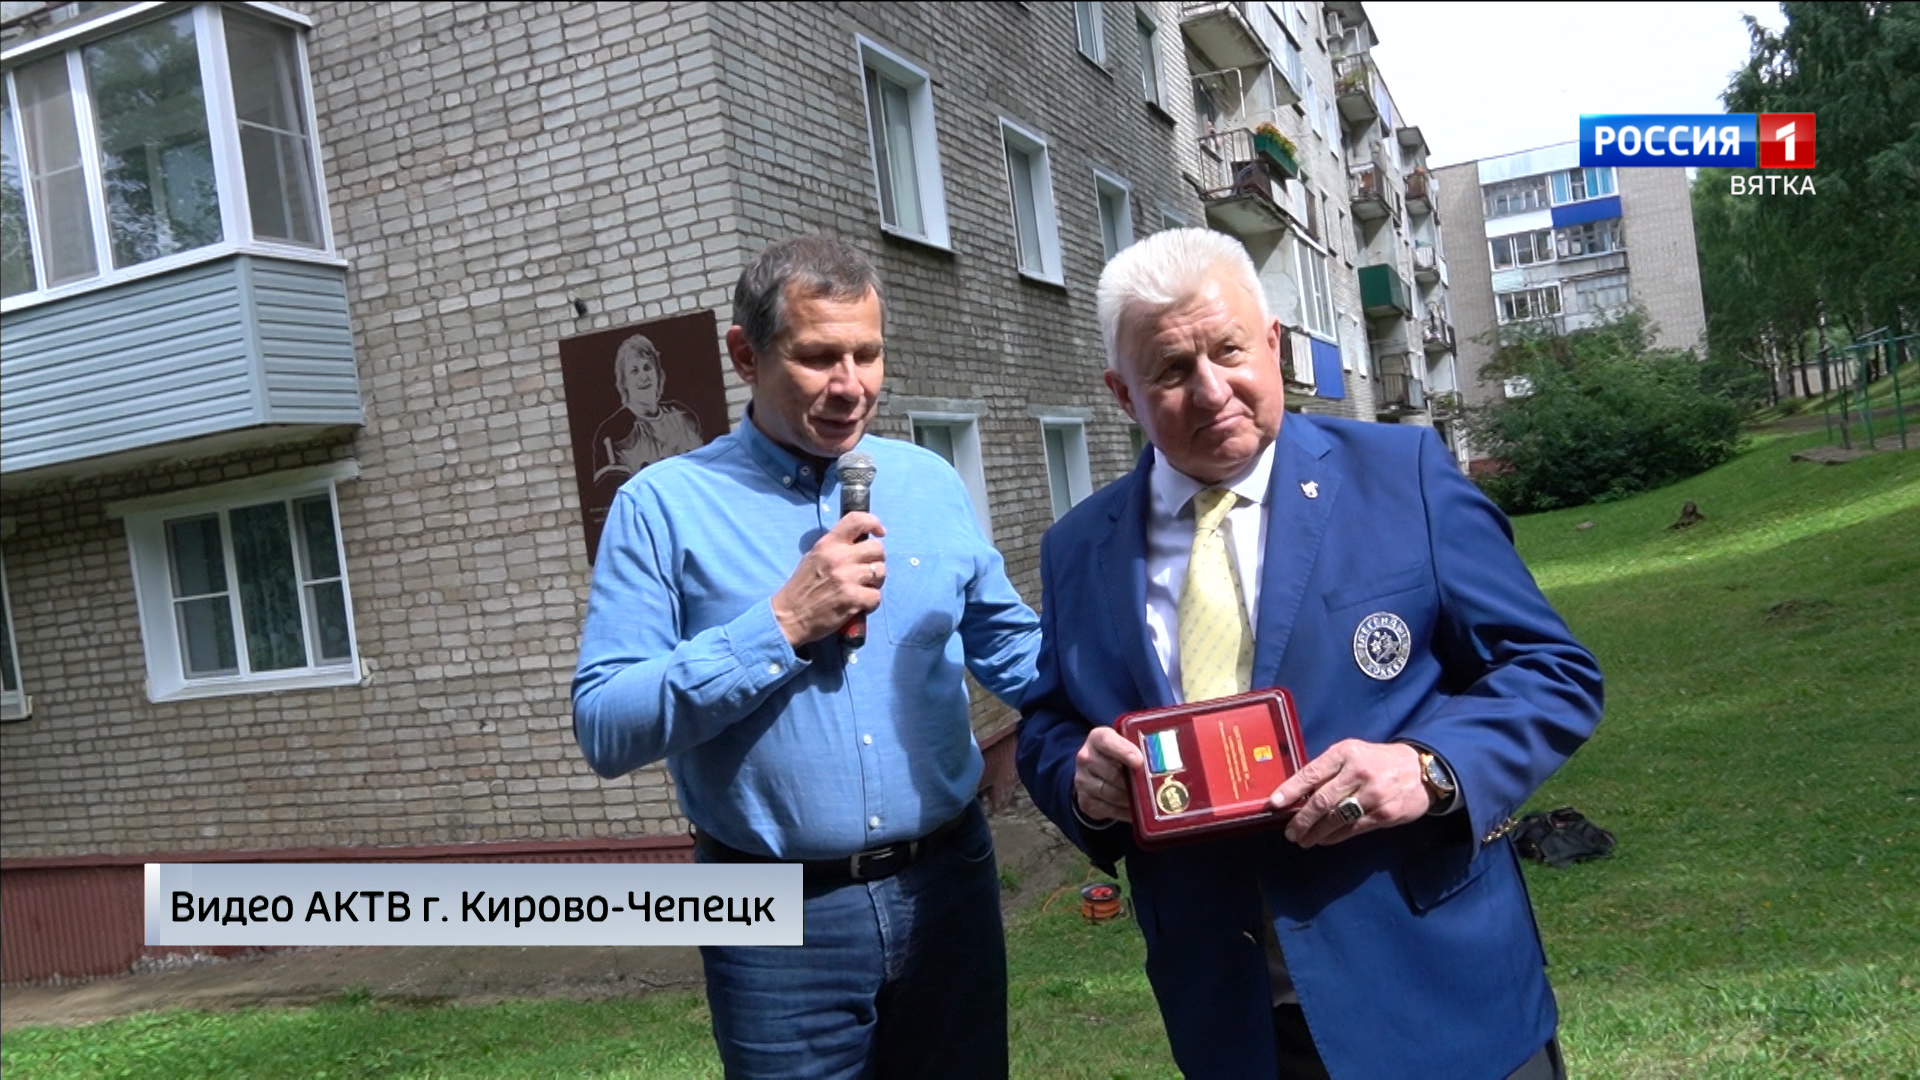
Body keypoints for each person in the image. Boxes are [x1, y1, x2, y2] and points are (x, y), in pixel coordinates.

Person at [1016, 229, 1603, 1080]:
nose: (1212, 389)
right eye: (1172, 371)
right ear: (1122, 393)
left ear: (1273, 344)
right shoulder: (1078, 547)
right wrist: (1078, 777)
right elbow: (1048, 720)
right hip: (1233, 1017)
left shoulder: (1404, 475)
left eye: (1228, 350)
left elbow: (1552, 671)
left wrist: (1429, 768)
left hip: (1437, 990)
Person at [573, 235, 1041, 1079]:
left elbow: (1013, 648)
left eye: (868, 354)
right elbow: (607, 726)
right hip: (769, 913)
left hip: (950, 885)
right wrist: (782, 624)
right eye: (819, 357)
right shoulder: (661, 507)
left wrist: (1144, 699)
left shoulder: (929, 480)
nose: (851, 385)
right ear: (745, 355)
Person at [590, 333, 704, 487]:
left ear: (658, 373)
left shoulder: (684, 418)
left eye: (647, 368)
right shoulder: (612, 434)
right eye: (634, 371)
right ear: (624, 382)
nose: (643, 377)